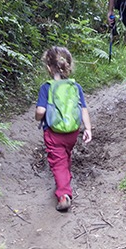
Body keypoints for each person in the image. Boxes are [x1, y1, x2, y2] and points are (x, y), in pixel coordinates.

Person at [34, 46, 92, 212]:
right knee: (65, 155)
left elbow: (40, 111)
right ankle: (65, 178)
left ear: (48, 67)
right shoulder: (75, 87)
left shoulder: (47, 87)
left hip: (54, 133)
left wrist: (37, 117)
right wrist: (87, 128)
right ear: (69, 66)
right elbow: (83, 109)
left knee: (57, 162)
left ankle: (64, 194)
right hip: (72, 132)